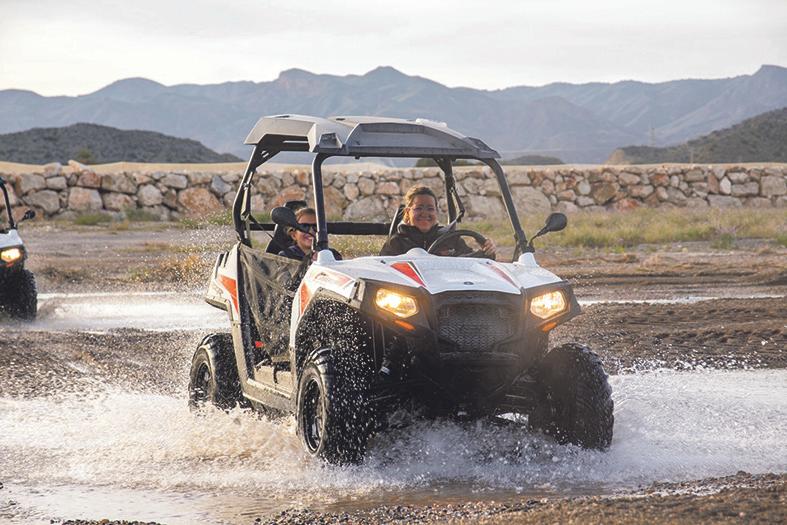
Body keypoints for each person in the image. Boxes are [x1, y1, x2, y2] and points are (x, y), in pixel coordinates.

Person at [380, 186, 496, 258]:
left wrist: (488, 251)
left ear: (436, 212)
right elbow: (385, 271)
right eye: (419, 208)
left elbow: (472, 264)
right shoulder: (396, 243)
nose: (425, 213)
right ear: (407, 212)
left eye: (430, 209)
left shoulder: (452, 240)